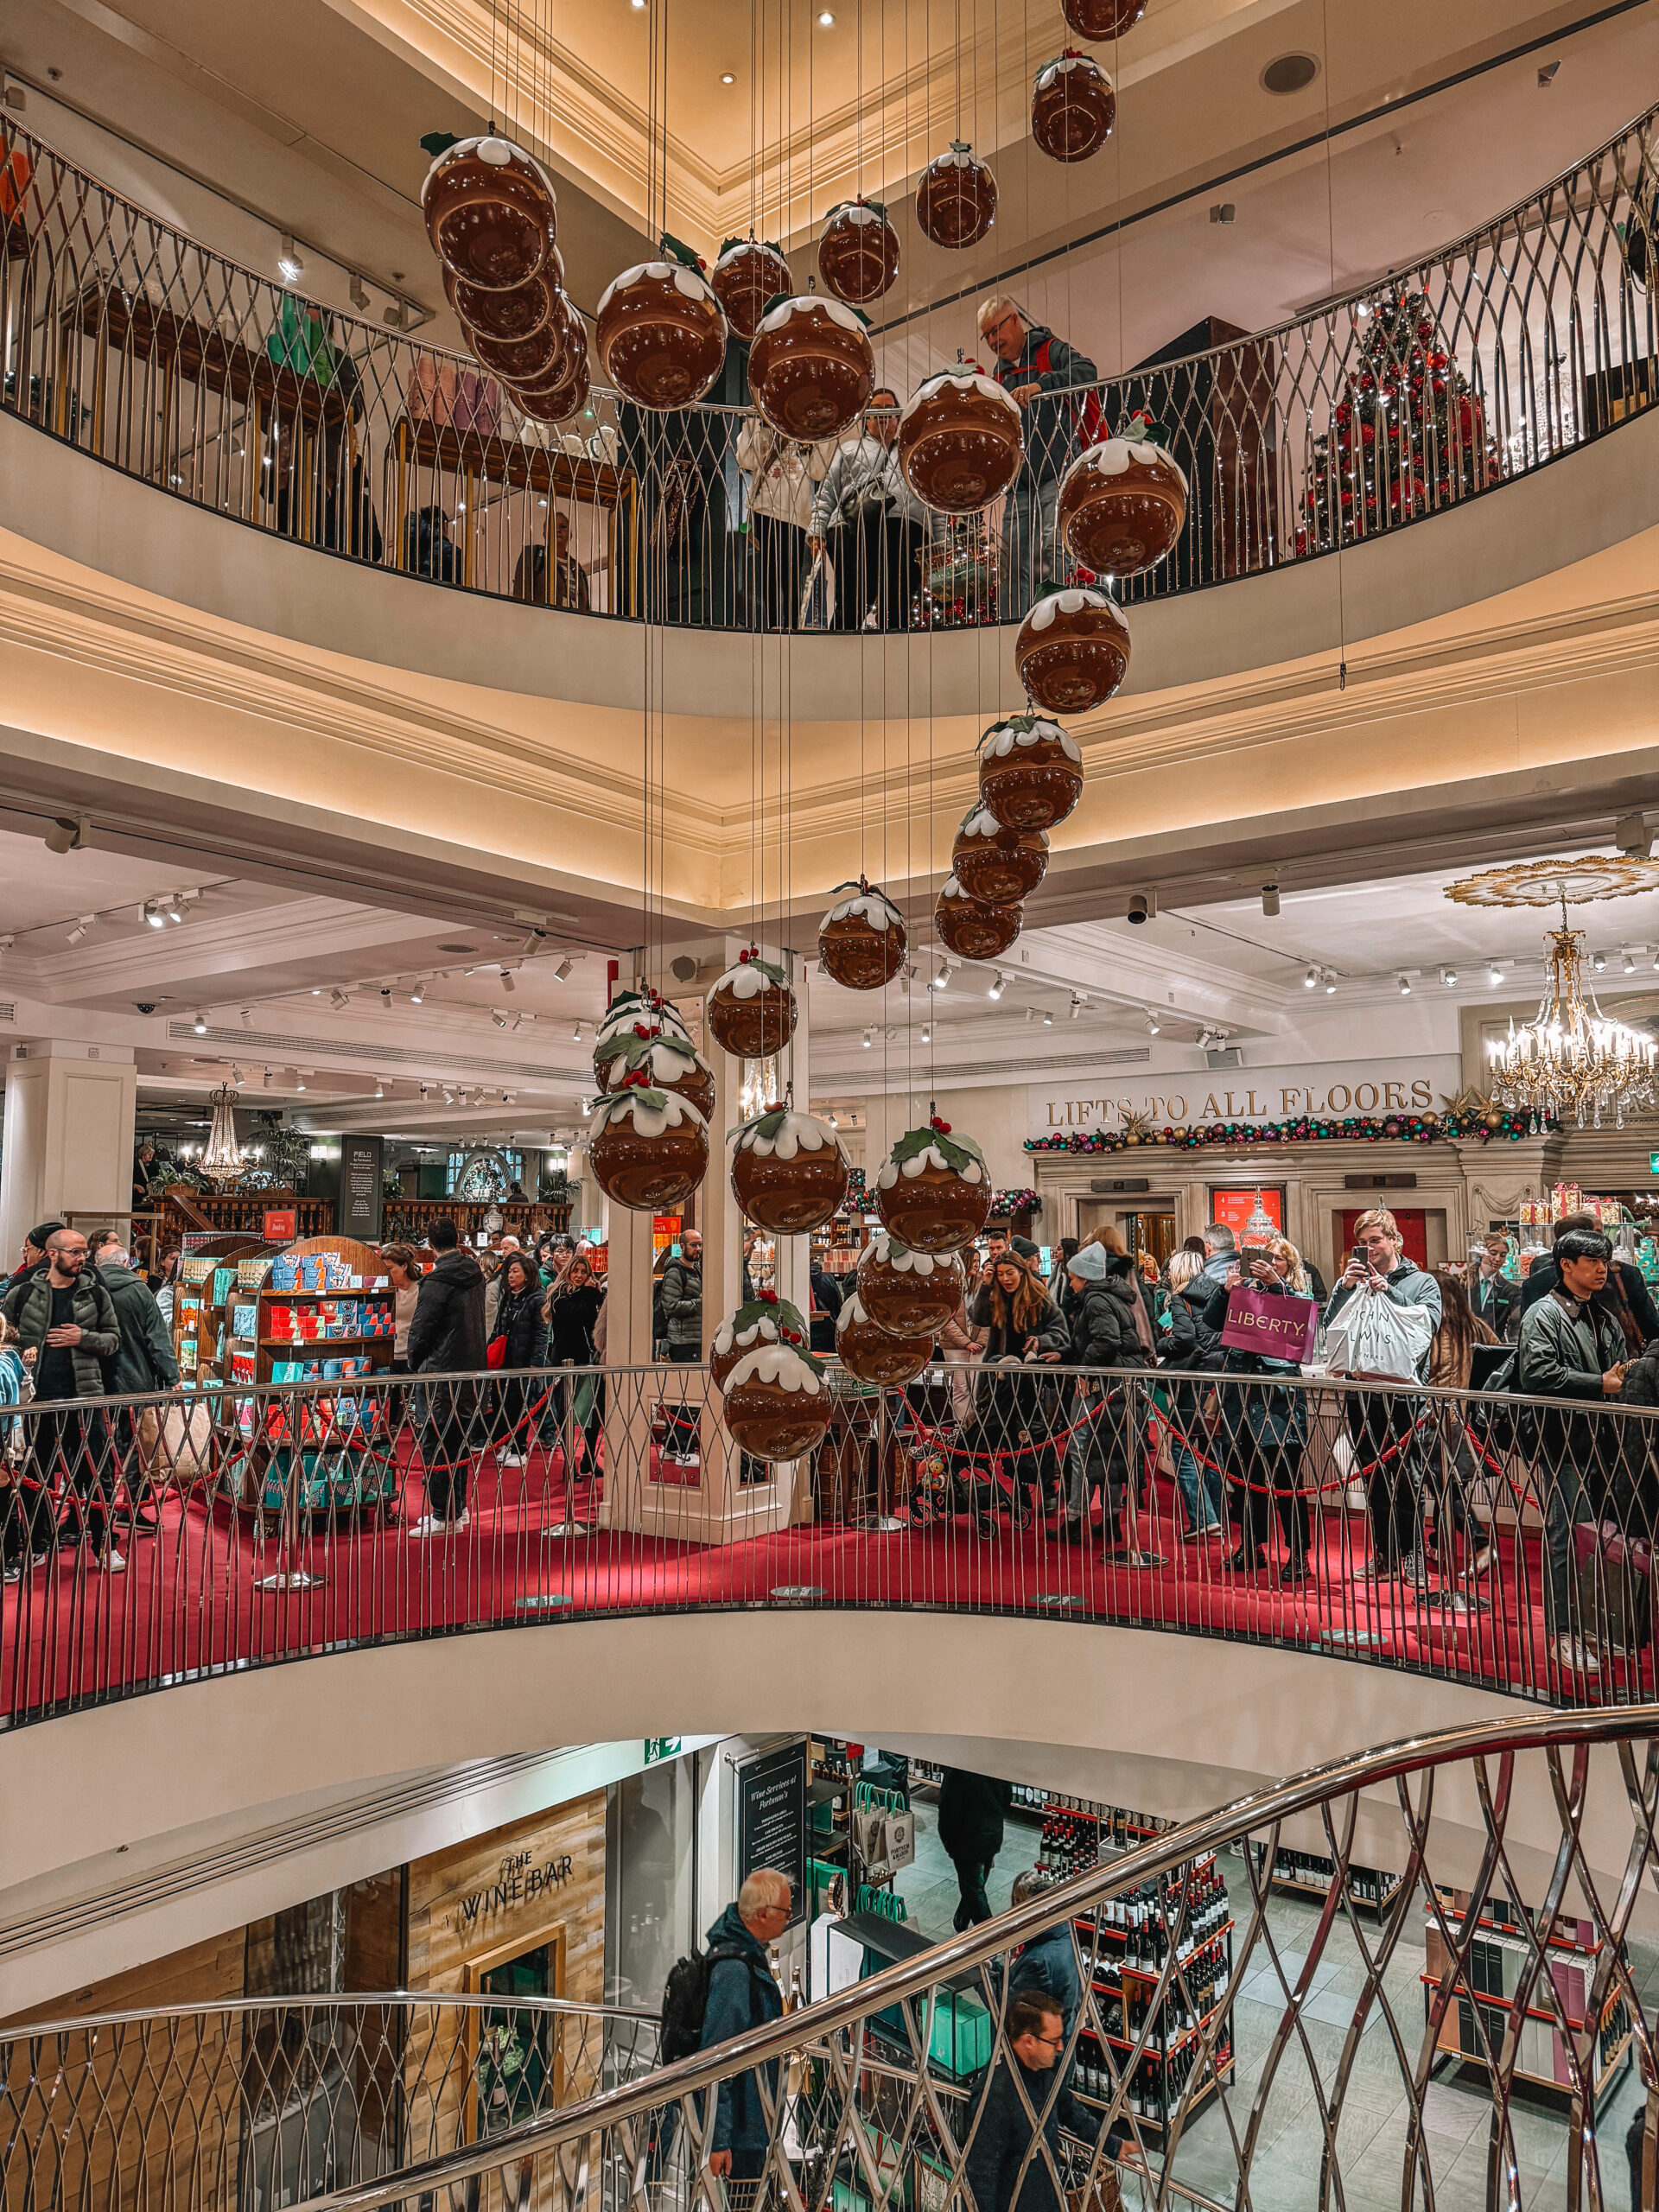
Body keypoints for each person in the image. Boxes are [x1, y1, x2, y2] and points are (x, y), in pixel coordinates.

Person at [1517, 1227, 1630, 1677]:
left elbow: (1619, 1367)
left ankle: (1594, 1625)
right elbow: (1537, 1373)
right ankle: (1563, 1632)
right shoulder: (1543, 1314)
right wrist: (1598, 1383)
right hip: (1565, 1442)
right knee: (1567, 1535)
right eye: (1592, 1262)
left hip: (1605, 1441)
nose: (1602, 1270)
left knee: (1602, 1536)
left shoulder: (1603, 1316)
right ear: (1566, 1266)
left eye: (1605, 1262)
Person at [1325, 1209, 1442, 1583]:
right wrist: (1344, 1288)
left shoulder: (1421, 1282)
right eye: (1362, 1243)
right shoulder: (1351, 1281)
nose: (1369, 1248)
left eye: (1375, 1240)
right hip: (1361, 1392)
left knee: (1407, 1478)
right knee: (1373, 1476)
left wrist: (1388, 1291)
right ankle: (1386, 1554)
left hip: (1404, 1396)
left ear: (1395, 1241)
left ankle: (1413, 1556)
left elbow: (1428, 1325)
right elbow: (1331, 1325)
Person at [1, 1228, 124, 1573]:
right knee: (33, 1477)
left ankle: (103, 1544)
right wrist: (17, 1355)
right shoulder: (23, 1292)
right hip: (36, 1402)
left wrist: (82, 1337)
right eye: (74, 1251)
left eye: (85, 1251)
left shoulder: (95, 1293)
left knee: (97, 1475)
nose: (82, 1257)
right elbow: (4, 1337)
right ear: (52, 1254)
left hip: (85, 1400)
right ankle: (37, 1545)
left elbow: (114, 1340)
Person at [976, 295, 1099, 617]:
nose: (992, 340)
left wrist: (1041, 386)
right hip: (1020, 483)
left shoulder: (1049, 349)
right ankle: (1011, 624)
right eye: (986, 335)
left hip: (1057, 470)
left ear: (1015, 321)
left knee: (1056, 547)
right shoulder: (999, 375)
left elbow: (1086, 370)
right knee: (1012, 560)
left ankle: (1062, 615)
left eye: (996, 330)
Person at [1204, 1236, 1313, 1585]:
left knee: (1286, 1484)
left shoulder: (1296, 1293)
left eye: (1279, 1259)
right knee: (1246, 1481)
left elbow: (1302, 1326)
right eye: (1266, 1258)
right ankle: (1251, 1546)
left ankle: (1298, 1554)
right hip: (1240, 1399)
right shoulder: (1243, 1290)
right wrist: (1226, 1290)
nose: (1270, 1263)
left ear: (1288, 1266)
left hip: (1278, 1402)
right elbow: (1211, 1322)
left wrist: (1275, 1287)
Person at [808, 390, 932, 632]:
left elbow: (929, 501)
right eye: (876, 410)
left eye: (889, 409)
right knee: (853, 598)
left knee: (898, 598)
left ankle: (895, 655)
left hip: (902, 529)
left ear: (898, 417)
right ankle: (841, 648)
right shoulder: (849, 449)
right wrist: (817, 529)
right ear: (867, 418)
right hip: (849, 527)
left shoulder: (912, 453)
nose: (883, 416)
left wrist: (938, 543)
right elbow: (827, 492)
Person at [700, 1868, 790, 2200]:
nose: (789, 1917)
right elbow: (717, 2059)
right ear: (764, 1914)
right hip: (742, 2135)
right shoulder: (734, 1972)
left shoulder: (746, 1957)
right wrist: (718, 2140)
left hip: (750, 2126)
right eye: (786, 1911)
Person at [963, 1991, 1097, 2212]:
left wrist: (1114, 2145)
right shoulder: (995, 2097)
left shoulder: (1043, 2073)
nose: (1060, 2047)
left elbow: (1070, 2109)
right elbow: (981, 2175)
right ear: (1029, 2041)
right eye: (1054, 2041)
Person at [404, 1215, 486, 1539]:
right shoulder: (475, 1275)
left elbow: (422, 1329)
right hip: (468, 1370)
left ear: (430, 1244)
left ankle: (442, 1514)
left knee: (436, 1444)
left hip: (439, 1373)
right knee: (459, 1444)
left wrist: (414, 1360)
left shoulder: (437, 1282)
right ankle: (458, 1510)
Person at [1059, 1241, 1146, 1547]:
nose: (1069, 1282)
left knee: (1080, 1450)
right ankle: (1111, 1520)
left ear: (1084, 1276)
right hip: (1118, 1387)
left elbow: (1105, 1341)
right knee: (1111, 1454)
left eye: (1073, 1277)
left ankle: (1074, 1518)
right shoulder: (1115, 1297)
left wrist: (1083, 1370)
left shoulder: (1095, 1301)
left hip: (1101, 1388)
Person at [972, 1256, 1069, 1531]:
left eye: (1010, 1273)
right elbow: (977, 1317)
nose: (1006, 1279)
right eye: (1001, 1274)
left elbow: (1061, 1333)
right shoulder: (996, 1297)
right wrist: (985, 1285)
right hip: (1000, 1381)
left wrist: (1040, 1342)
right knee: (1007, 1436)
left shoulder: (1040, 1297)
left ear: (1022, 1272)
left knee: (1037, 1435)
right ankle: (1022, 1491)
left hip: (1033, 1382)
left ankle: (1047, 1488)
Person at [93, 1238, 179, 1539]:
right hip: (134, 1383)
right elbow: (158, 1337)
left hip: (95, 1383)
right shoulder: (139, 1290)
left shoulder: (91, 1291)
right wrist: (172, 1376)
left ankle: (94, 1513)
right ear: (127, 1263)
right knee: (130, 1447)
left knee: (96, 1446)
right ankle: (131, 1508)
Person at [1426, 1265, 1500, 1579]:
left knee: (1443, 1488)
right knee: (1445, 1488)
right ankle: (1435, 1542)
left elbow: (1427, 1376)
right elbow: (1502, 1366)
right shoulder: (1478, 1327)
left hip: (1438, 1421)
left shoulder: (1431, 1330)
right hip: (1474, 1423)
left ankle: (1481, 1543)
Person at [736, 413, 832, 630]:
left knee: (791, 573)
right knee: (769, 573)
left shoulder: (805, 438)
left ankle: (791, 625)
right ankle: (772, 625)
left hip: (796, 515)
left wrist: (823, 435)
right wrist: (752, 422)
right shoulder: (763, 432)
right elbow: (745, 459)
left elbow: (818, 471)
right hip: (764, 510)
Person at [1520, 1211, 1658, 1354]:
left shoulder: (1610, 1308)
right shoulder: (1542, 1306)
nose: (1601, 1269)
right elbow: (1536, 1357)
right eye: (1597, 1232)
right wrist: (1600, 1378)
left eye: (1603, 1262)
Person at [1160, 1249, 1226, 1540]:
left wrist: (1162, 1346)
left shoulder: (1180, 1297)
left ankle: (1202, 1518)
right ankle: (1216, 1516)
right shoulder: (1220, 1293)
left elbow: (1185, 1341)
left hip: (1193, 1381)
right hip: (1220, 1380)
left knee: (1182, 1448)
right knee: (1214, 1450)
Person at [546, 1251, 607, 1471]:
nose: (579, 1275)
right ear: (568, 1272)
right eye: (575, 1271)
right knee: (566, 1414)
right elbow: (575, 1317)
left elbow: (595, 1320)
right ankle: (568, 1461)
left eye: (584, 1272)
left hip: (590, 1360)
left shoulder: (589, 1294)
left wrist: (597, 1294)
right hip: (566, 1361)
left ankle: (589, 1458)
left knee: (594, 1411)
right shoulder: (559, 1294)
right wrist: (590, 1294)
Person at [1007, 1870, 1082, 2042]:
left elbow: (1010, 2007)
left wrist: (985, 1979)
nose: (1020, 1907)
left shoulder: (1038, 1959)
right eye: (1017, 1900)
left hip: (1042, 2051)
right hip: (1064, 2040)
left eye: (1026, 1902)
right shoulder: (1066, 1934)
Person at [488, 1252, 547, 1470]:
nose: (510, 1276)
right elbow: (498, 1325)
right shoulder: (509, 1295)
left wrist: (535, 1364)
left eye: (515, 1271)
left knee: (520, 1405)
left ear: (528, 1275)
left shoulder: (538, 1298)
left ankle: (520, 1448)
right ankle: (505, 1443)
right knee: (501, 1403)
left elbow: (542, 1334)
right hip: (504, 1360)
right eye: (509, 1271)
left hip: (523, 1361)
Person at [938, 1765, 1013, 1930]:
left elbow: (948, 1808)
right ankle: (960, 1921)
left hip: (966, 1838)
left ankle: (989, 1936)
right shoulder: (993, 1765)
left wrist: (948, 1839)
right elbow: (1007, 1796)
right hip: (992, 1834)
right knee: (973, 1884)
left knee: (973, 1889)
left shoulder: (957, 1770)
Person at [658, 1231, 703, 1464]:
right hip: (683, 1342)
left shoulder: (696, 1270)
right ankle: (684, 1450)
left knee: (682, 1397)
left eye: (700, 1245)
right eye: (694, 1245)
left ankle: (670, 1446)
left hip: (694, 1338)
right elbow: (671, 1305)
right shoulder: (676, 1272)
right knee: (687, 1398)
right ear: (682, 1246)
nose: (698, 1249)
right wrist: (700, 1302)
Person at [1468, 1233, 1520, 1339]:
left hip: (1495, 1347)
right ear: (1482, 1253)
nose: (1497, 1259)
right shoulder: (1462, 1283)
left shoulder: (1512, 1291)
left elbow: (1514, 1327)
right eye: (1493, 1253)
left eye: (1503, 1255)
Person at [5, 1222, 63, 1294]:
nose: (25, 1255)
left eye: (27, 1250)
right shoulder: (73, 1271)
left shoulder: (25, 1278)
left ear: (41, 1252)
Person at [131, 1142, 156, 1211]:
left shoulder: (153, 1165)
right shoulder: (135, 1163)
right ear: (143, 1155)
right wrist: (135, 1185)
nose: (151, 1156)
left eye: (152, 1155)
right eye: (149, 1155)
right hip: (137, 1194)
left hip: (148, 1194)